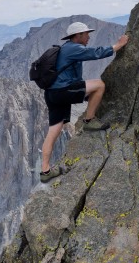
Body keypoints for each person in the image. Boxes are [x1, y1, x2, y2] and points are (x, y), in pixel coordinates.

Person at [40, 21, 129, 183]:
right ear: (78, 36)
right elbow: (95, 54)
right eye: (86, 34)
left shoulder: (65, 48)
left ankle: (45, 171)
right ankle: (89, 121)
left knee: (53, 131)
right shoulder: (73, 48)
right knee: (99, 85)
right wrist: (118, 45)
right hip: (63, 91)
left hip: (52, 94)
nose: (88, 37)